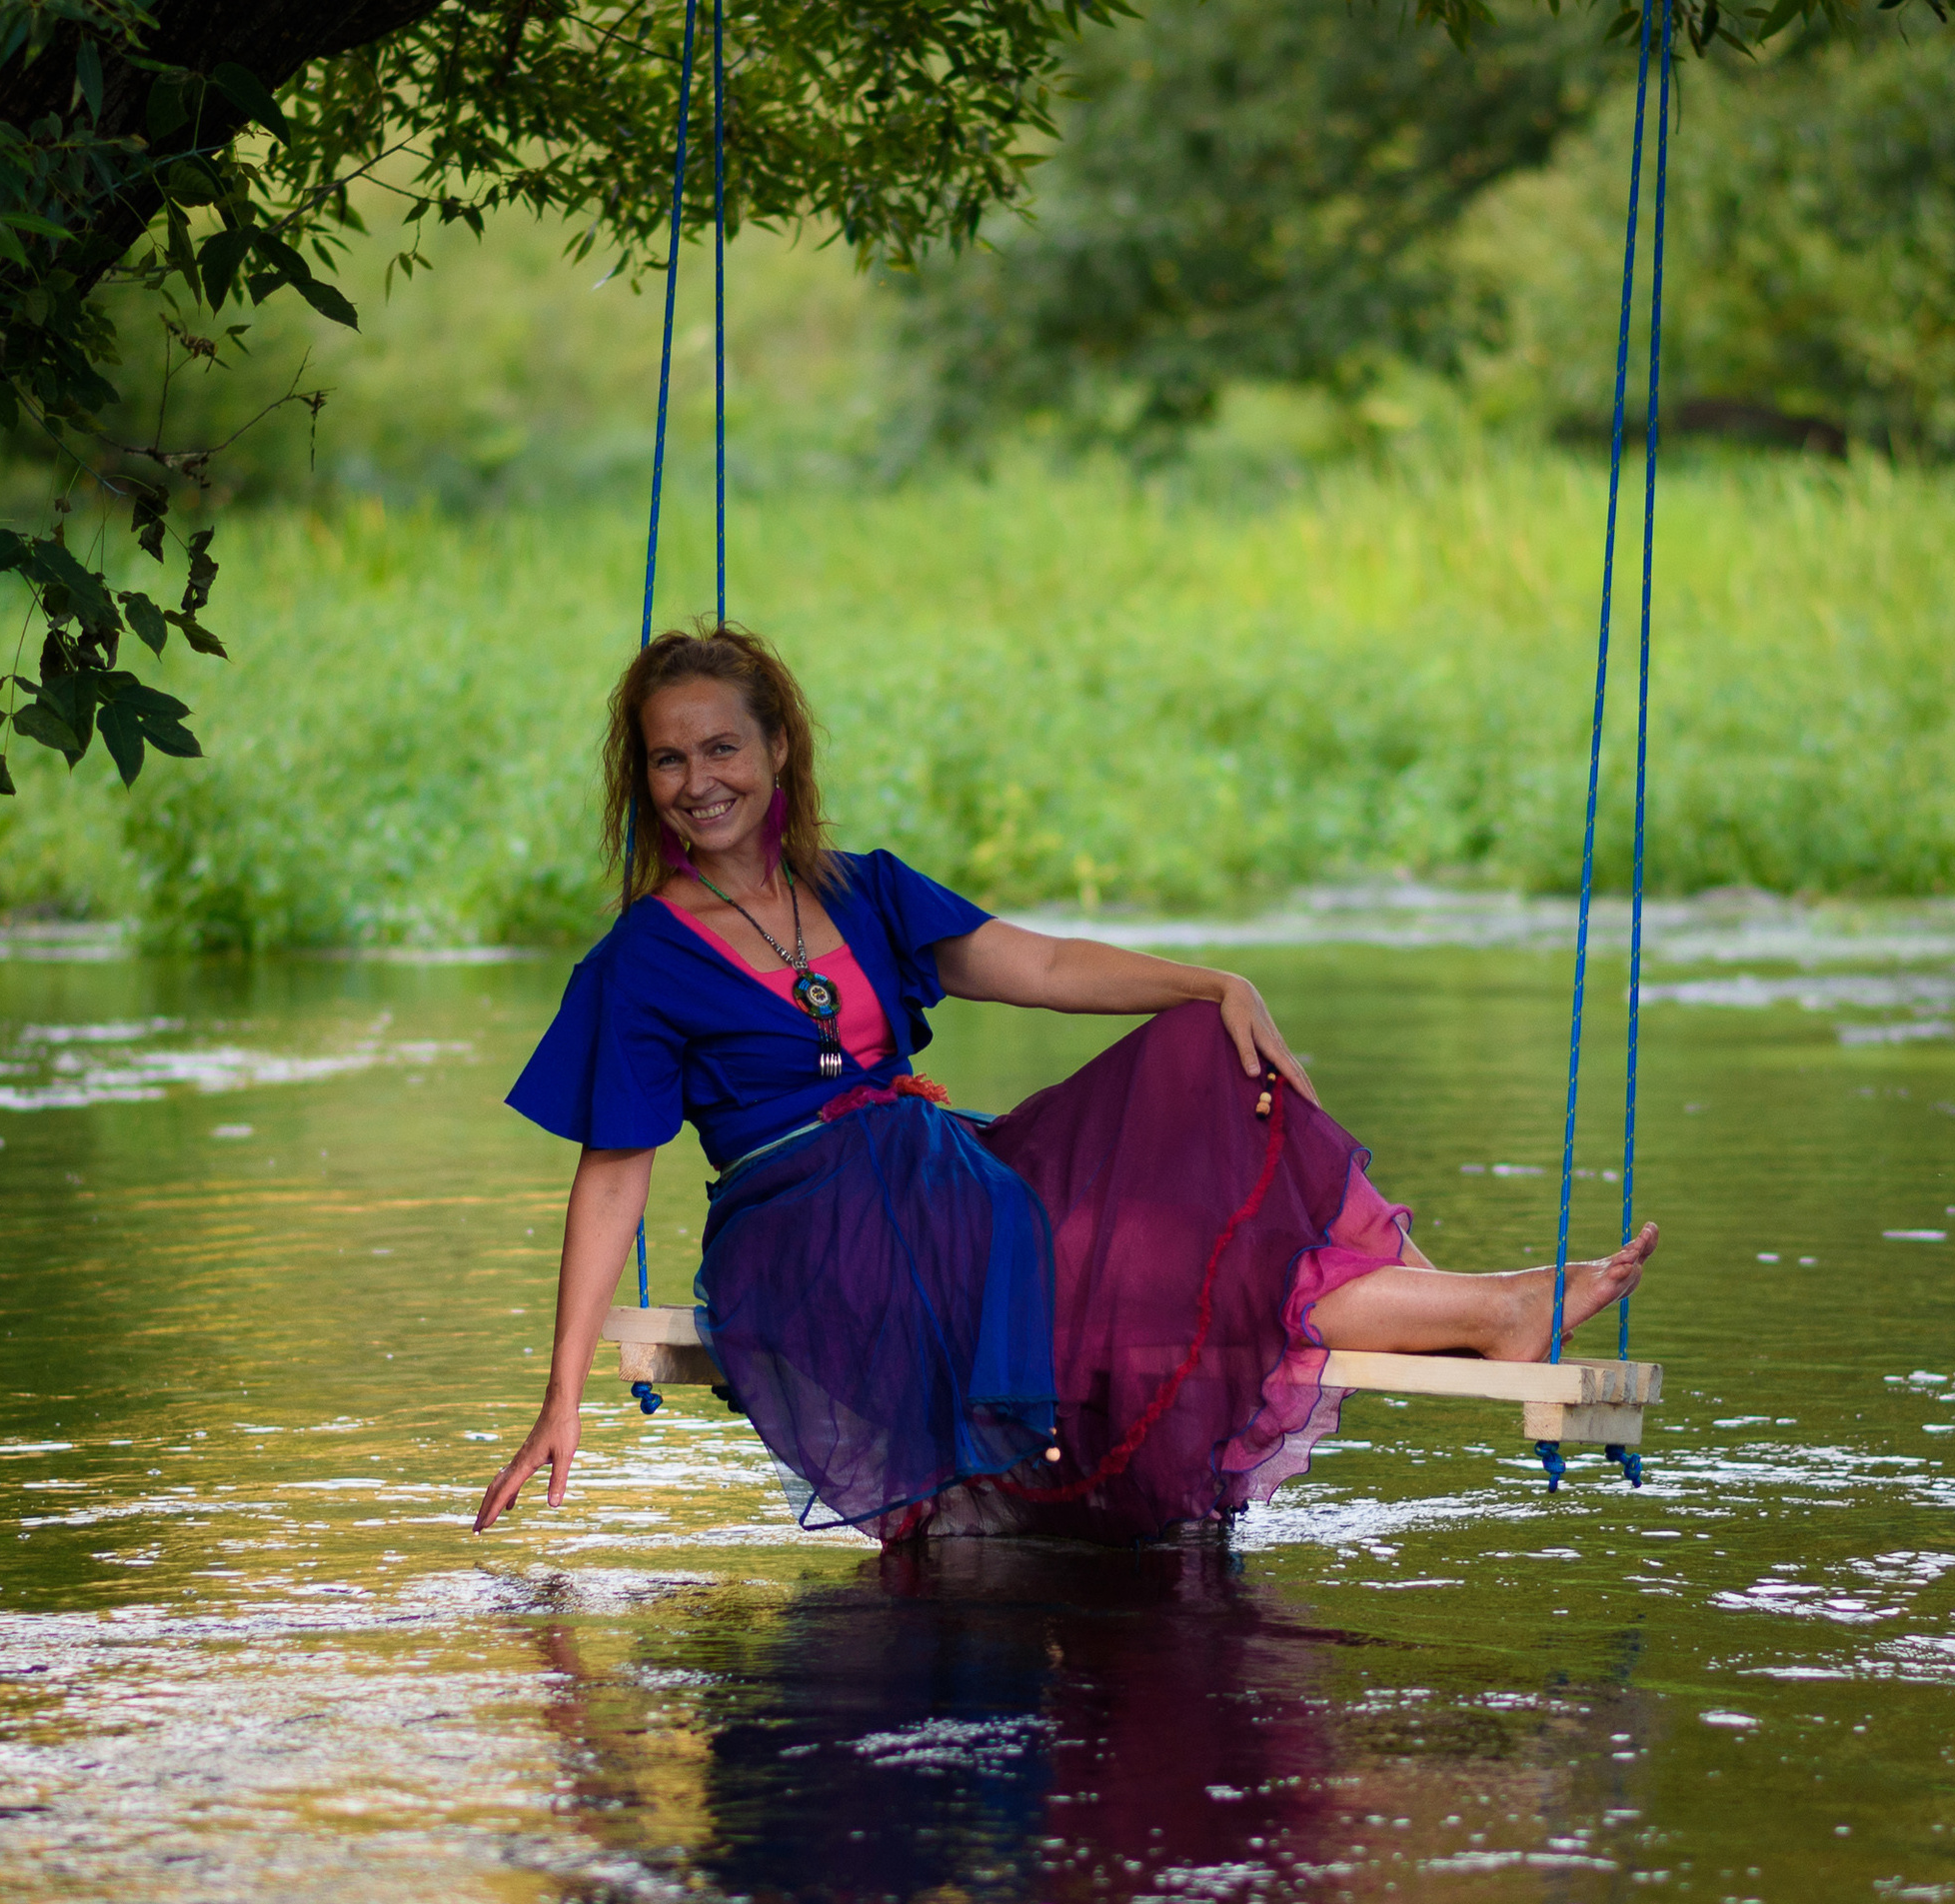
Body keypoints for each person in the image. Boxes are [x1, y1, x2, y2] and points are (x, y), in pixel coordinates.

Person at [474, 625, 1656, 1545]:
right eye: (668, 758)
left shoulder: (863, 888)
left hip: (945, 1175)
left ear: (778, 749)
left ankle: (1490, 1309)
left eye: (720, 746)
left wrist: (1208, 980)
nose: (697, 780)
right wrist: (561, 1395)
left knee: (1196, 1084)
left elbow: (1036, 964)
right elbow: (614, 1181)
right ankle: (1487, 1309)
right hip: (811, 1229)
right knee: (1132, 1270)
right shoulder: (642, 959)